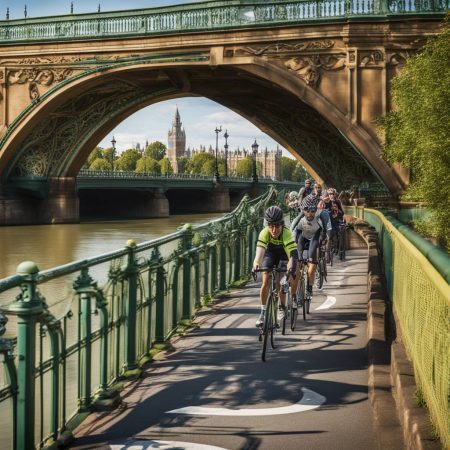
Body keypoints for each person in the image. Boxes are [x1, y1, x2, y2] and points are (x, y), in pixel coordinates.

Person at [252, 206, 299, 327]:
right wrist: (256, 263)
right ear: (267, 225)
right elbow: (260, 252)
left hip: (284, 254)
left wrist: (291, 270)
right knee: (265, 280)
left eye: (277, 226)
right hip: (271, 253)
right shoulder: (264, 232)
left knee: (280, 282)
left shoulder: (287, 234)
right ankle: (262, 313)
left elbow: (292, 256)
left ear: (282, 225)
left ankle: (281, 307)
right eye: (271, 226)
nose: (273, 230)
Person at [296, 204, 332, 297]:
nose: (309, 214)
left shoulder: (320, 217)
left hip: (315, 239)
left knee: (311, 265)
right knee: (297, 263)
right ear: (303, 211)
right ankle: (297, 289)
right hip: (303, 239)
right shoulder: (301, 218)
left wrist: (325, 239)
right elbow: (295, 232)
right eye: (307, 211)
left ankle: (309, 288)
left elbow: (326, 229)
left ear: (315, 211)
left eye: (312, 211)